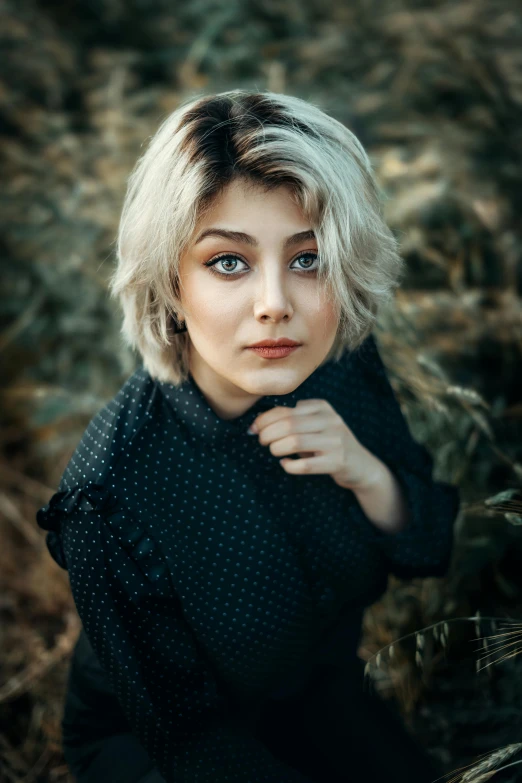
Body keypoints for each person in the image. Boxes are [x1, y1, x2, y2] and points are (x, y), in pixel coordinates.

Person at [37, 89, 460, 783]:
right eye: (228, 261)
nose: (276, 304)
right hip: (168, 753)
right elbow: (192, 741)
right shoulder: (106, 497)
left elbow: (431, 543)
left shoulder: (341, 364)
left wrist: (365, 469)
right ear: (171, 281)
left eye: (307, 258)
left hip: (319, 697)